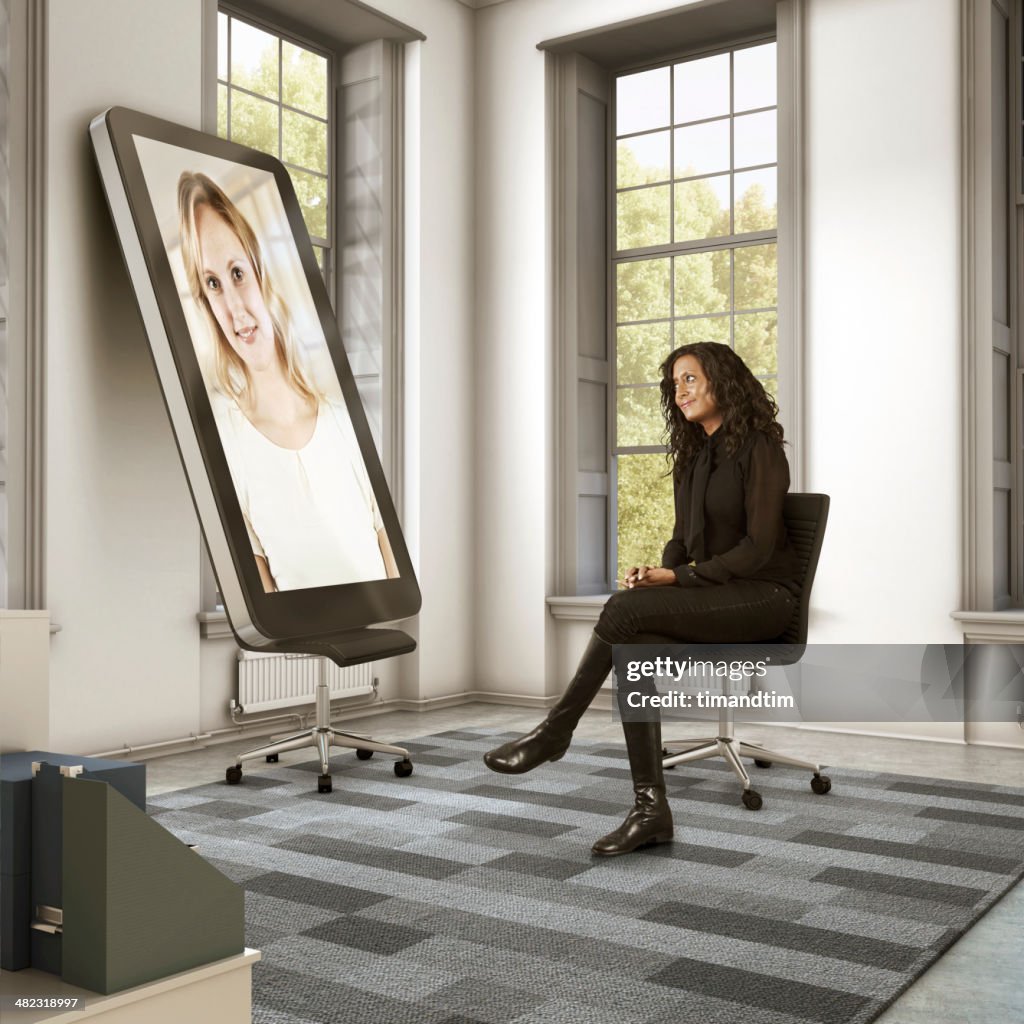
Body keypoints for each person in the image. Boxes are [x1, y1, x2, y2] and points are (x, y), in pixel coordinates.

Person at [484, 342, 799, 856]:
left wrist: (681, 580)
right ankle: (651, 811)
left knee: (621, 613)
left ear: (724, 381)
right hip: (715, 593)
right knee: (630, 643)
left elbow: (759, 549)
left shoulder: (760, 448)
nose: (680, 391)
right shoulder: (696, 453)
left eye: (691, 379)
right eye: (674, 383)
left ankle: (554, 732)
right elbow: (683, 538)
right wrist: (660, 572)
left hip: (763, 599)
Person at [177, 171, 398, 592]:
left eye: (237, 273)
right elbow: (261, 587)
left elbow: (385, 542)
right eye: (213, 284)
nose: (235, 309)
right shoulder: (224, 441)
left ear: (261, 272)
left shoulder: (341, 414)